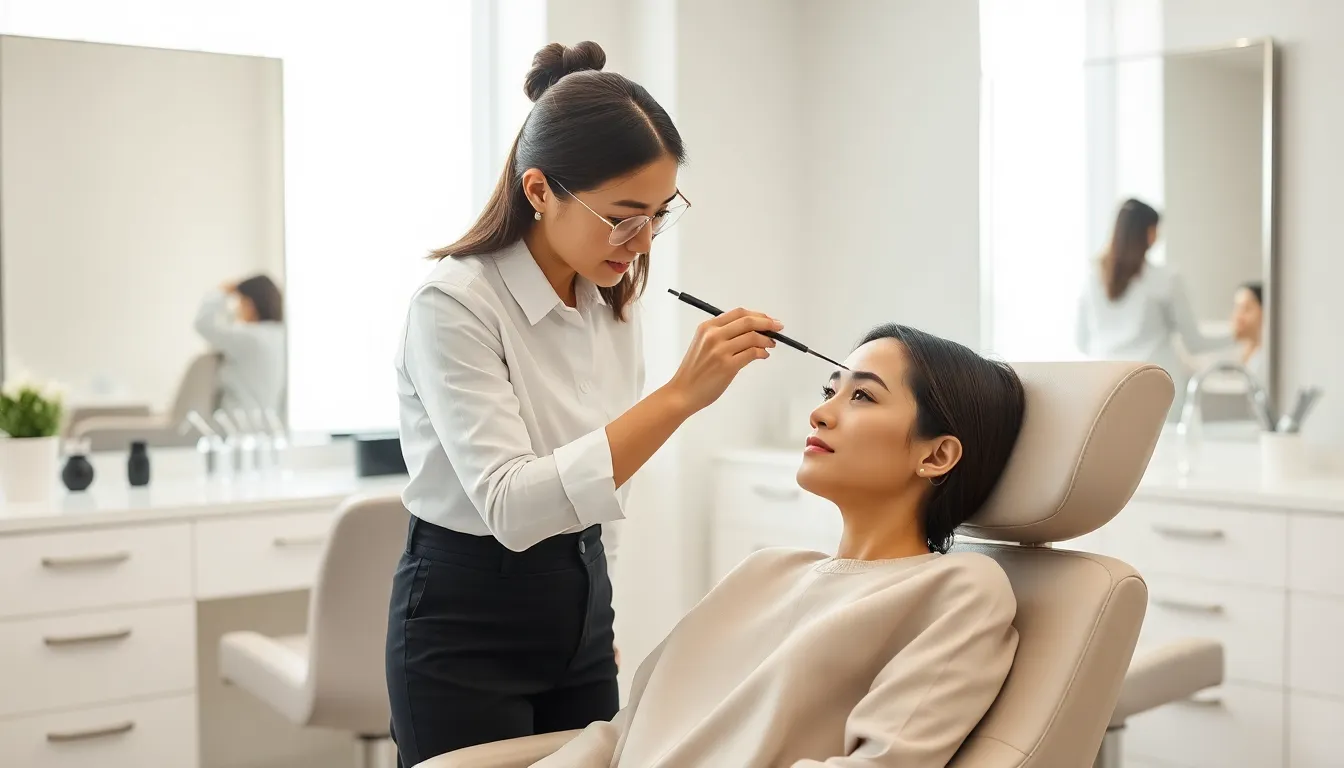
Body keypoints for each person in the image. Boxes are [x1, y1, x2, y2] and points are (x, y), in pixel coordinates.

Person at [386, 41, 779, 765]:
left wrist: (592, 610)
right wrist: (679, 398)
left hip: (579, 608)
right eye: (623, 216)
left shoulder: (608, 301)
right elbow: (510, 505)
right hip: (466, 620)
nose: (642, 241)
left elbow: (602, 486)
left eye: (660, 214)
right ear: (538, 190)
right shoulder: (455, 304)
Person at [532, 323, 1026, 767]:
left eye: (862, 398)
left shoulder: (960, 589)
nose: (819, 414)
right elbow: (625, 733)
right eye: (829, 390)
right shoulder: (764, 571)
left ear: (937, 454)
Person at [1075, 198, 1226, 416]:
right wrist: (1240, 335)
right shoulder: (1166, 279)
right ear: (1149, 232)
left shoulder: (1091, 280)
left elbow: (1081, 343)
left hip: (1105, 389)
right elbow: (1194, 343)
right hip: (1157, 389)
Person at [193, 273, 286, 413]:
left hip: (238, 424)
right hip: (269, 424)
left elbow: (203, 324)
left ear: (251, 304)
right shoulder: (280, 336)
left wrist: (221, 292)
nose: (237, 310)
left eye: (240, 303)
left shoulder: (249, 337)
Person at [1231, 280, 1265, 382]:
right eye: (1237, 308)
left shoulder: (1264, 362)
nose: (1238, 316)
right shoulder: (1236, 355)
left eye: (1246, 309)